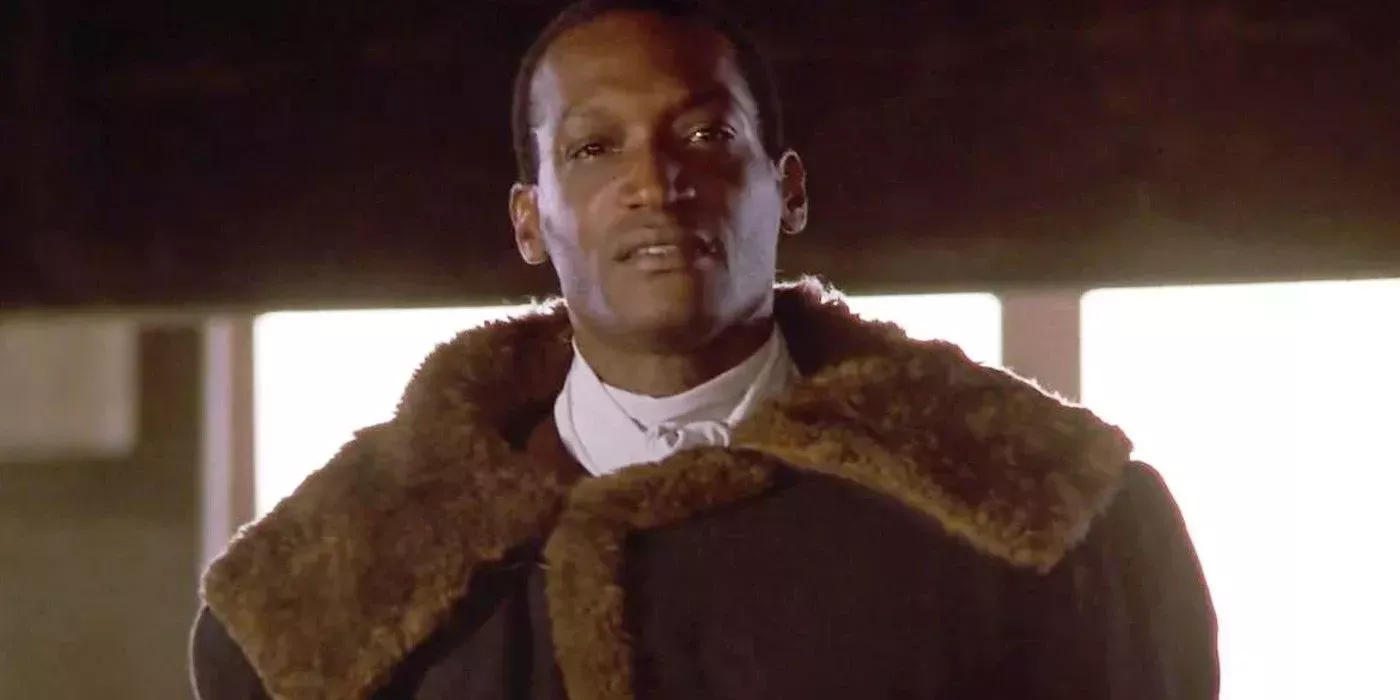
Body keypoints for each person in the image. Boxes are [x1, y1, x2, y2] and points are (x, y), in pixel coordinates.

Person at [190, 1, 1219, 698]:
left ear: (789, 189)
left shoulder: (1052, 523)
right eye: (593, 148)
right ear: (529, 220)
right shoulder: (329, 593)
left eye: (704, 136)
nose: (653, 182)